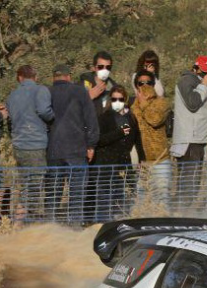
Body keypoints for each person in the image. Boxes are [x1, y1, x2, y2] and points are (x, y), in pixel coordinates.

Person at [46, 64, 99, 225]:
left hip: (53, 150)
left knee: (53, 194)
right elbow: (91, 120)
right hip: (76, 150)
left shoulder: (47, 93)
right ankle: (74, 229)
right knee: (76, 194)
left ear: (53, 77)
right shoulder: (80, 91)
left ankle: (50, 228)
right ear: (69, 76)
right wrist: (91, 145)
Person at [5, 65, 54, 221]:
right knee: (34, 185)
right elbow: (45, 112)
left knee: (25, 182)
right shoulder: (41, 90)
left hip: (18, 146)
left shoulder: (11, 96)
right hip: (35, 145)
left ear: (19, 77)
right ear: (36, 77)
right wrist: (52, 117)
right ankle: (21, 221)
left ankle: (23, 218)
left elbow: (10, 120)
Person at [92, 86, 143, 222]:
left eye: (120, 99)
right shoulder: (103, 118)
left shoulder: (131, 118)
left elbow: (138, 139)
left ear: (125, 100)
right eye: (114, 99)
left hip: (123, 165)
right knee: (104, 201)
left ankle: (120, 224)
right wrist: (119, 133)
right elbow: (99, 140)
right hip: (106, 165)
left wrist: (141, 159)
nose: (117, 102)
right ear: (110, 100)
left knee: (121, 201)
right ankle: (102, 225)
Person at [171, 55, 207, 204]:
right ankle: (180, 212)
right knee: (188, 185)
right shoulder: (186, 81)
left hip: (199, 139)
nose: (206, 75)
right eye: (203, 71)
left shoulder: (205, 84)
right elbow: (193, 103)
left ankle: (182, 210)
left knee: (193, 184)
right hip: (189, 140)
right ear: (195, 68)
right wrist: (204, 85)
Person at [131, 69, 171, 210]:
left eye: (148, 82)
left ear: (154, 84)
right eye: (141, 83)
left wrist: (144, 104)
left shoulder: (162, 102)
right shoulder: (132, 106)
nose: (145, 86)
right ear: (136, 86)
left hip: (160, 160)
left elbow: (155, 119)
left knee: (162, 200)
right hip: (141, 162)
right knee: (140, 200)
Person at [79, 51, 117, 115]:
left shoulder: (114, 87)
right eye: (100, 67)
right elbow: (72, 109)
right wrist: (89, 97)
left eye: (108, 67)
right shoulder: (82, 85)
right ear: (94, 68)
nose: (105, 70)